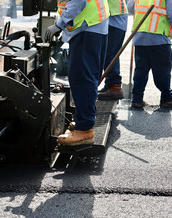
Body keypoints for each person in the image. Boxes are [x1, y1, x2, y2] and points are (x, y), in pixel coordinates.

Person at [45, 0, 109, 146]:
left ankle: (84, 130)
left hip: (87, 26)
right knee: (87, 77)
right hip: (92, 24)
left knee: (82, 78)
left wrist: (59, 25)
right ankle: (83, 122)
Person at [127, 0, 172, 109]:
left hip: (139, 37)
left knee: (140, 70)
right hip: (158, 38)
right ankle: (167, 98)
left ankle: (137, 99)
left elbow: (130, 8)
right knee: (162, 70)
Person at [97, 0, 128, 100]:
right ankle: (110, 85)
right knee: (111, 54)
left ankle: (114, 86)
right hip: (116, 19)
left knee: (109, 55)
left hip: (113, 19)